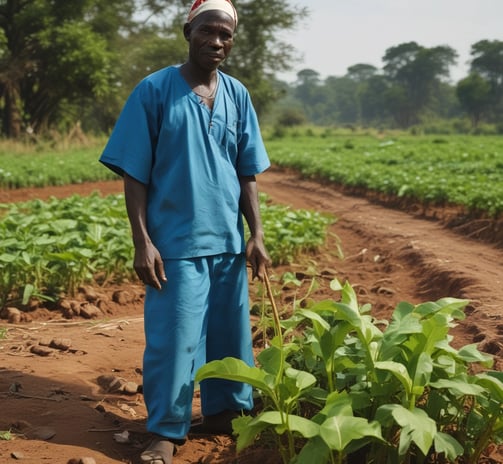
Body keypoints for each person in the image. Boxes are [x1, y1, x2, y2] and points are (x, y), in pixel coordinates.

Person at [99, 0, 271, 462]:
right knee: (176, 341)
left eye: (226, 35)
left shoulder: (238, 95)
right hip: (175, 244)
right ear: (187, 31)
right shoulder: (154, 91)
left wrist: (255, 234)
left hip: (228, 243)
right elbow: (134, 172)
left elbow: (246, 172)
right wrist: (142, 240)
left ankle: (225, 413)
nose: (216, 42)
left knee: (230, 339)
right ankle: (165, 431)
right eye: (207, 32)